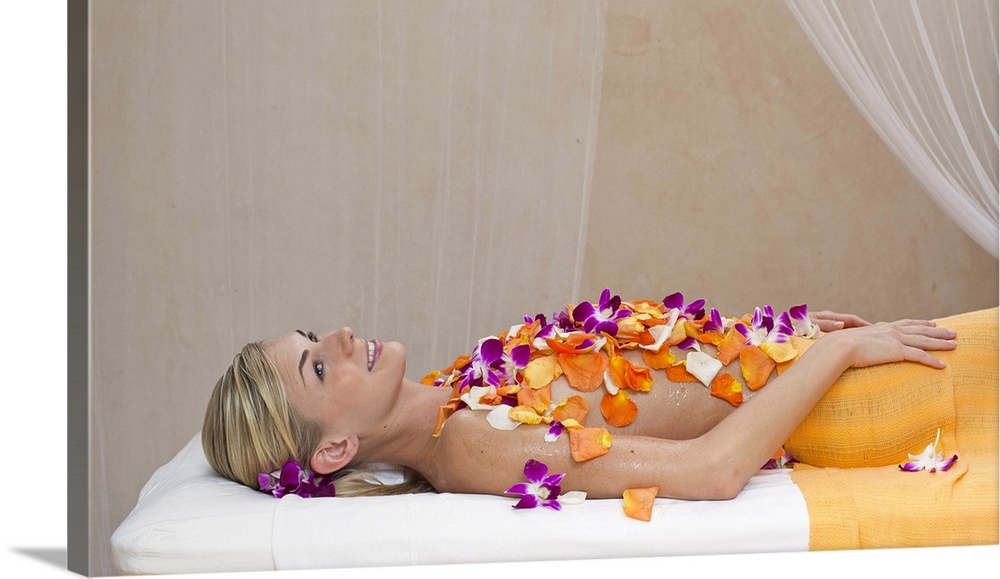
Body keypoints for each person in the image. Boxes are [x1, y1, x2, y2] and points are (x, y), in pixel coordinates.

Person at [202, 293, 960, 502]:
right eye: (317, 369)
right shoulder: (476, 446)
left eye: (313, 336)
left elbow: (642, 370)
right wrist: (830, 356)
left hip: (837, 376)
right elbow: (711, 470)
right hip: (862, 405)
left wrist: (765, 337)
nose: (338, 336)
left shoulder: (458, 389)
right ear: (333, 450)